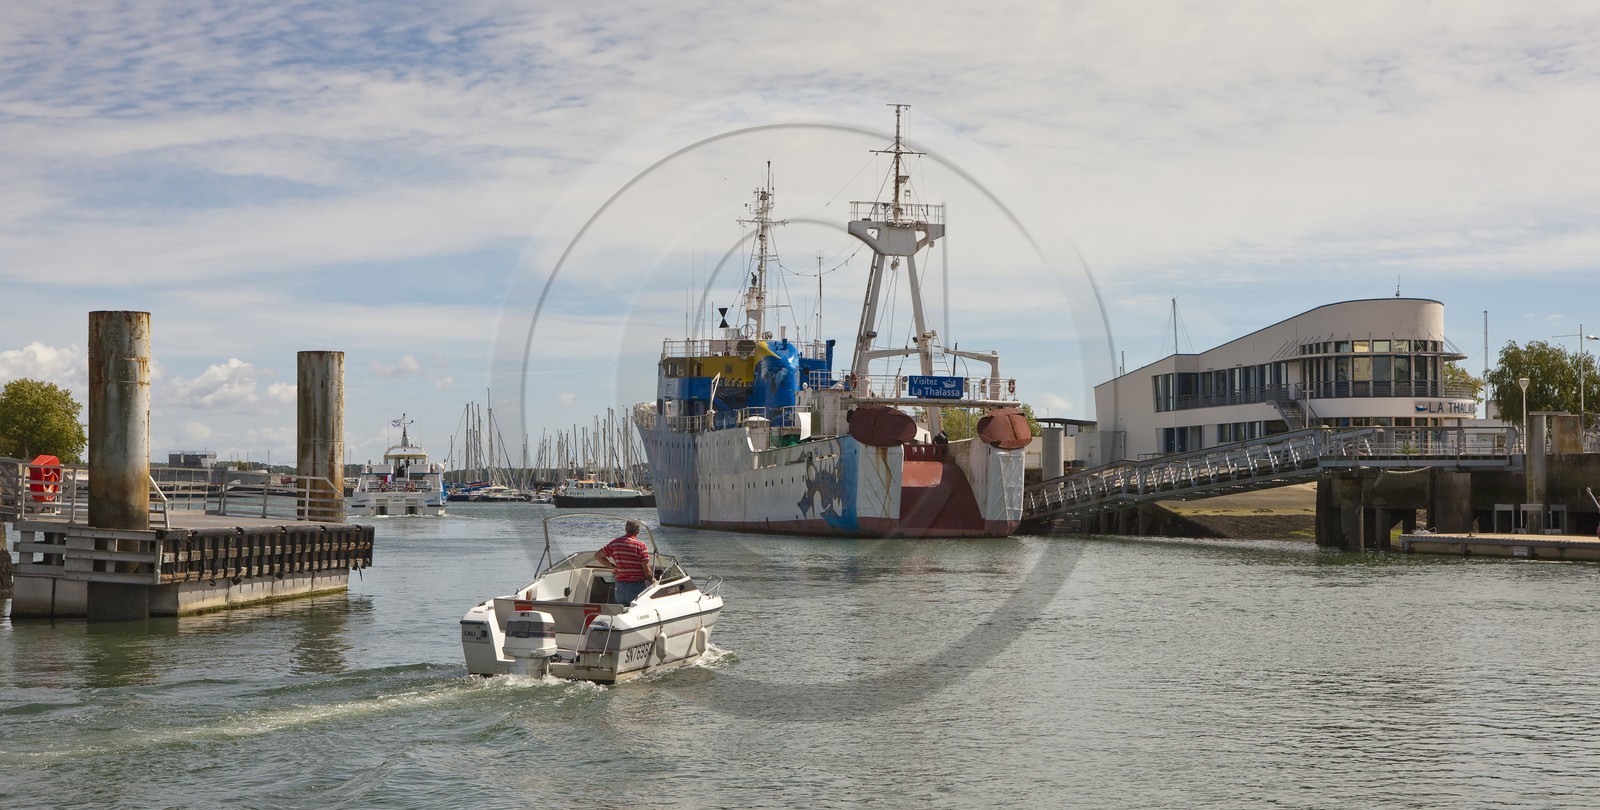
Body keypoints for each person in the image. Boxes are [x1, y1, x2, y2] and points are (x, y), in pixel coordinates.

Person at [598, 520, 653, 605]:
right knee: (635, 610)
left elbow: (598, 556)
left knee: (622, 610)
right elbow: (647, 570)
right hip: (636, 586)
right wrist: (653, 581)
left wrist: (612, 566)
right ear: (638, 531)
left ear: (626, 529)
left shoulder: (615, 543)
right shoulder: (641, 546)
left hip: (620, 586)